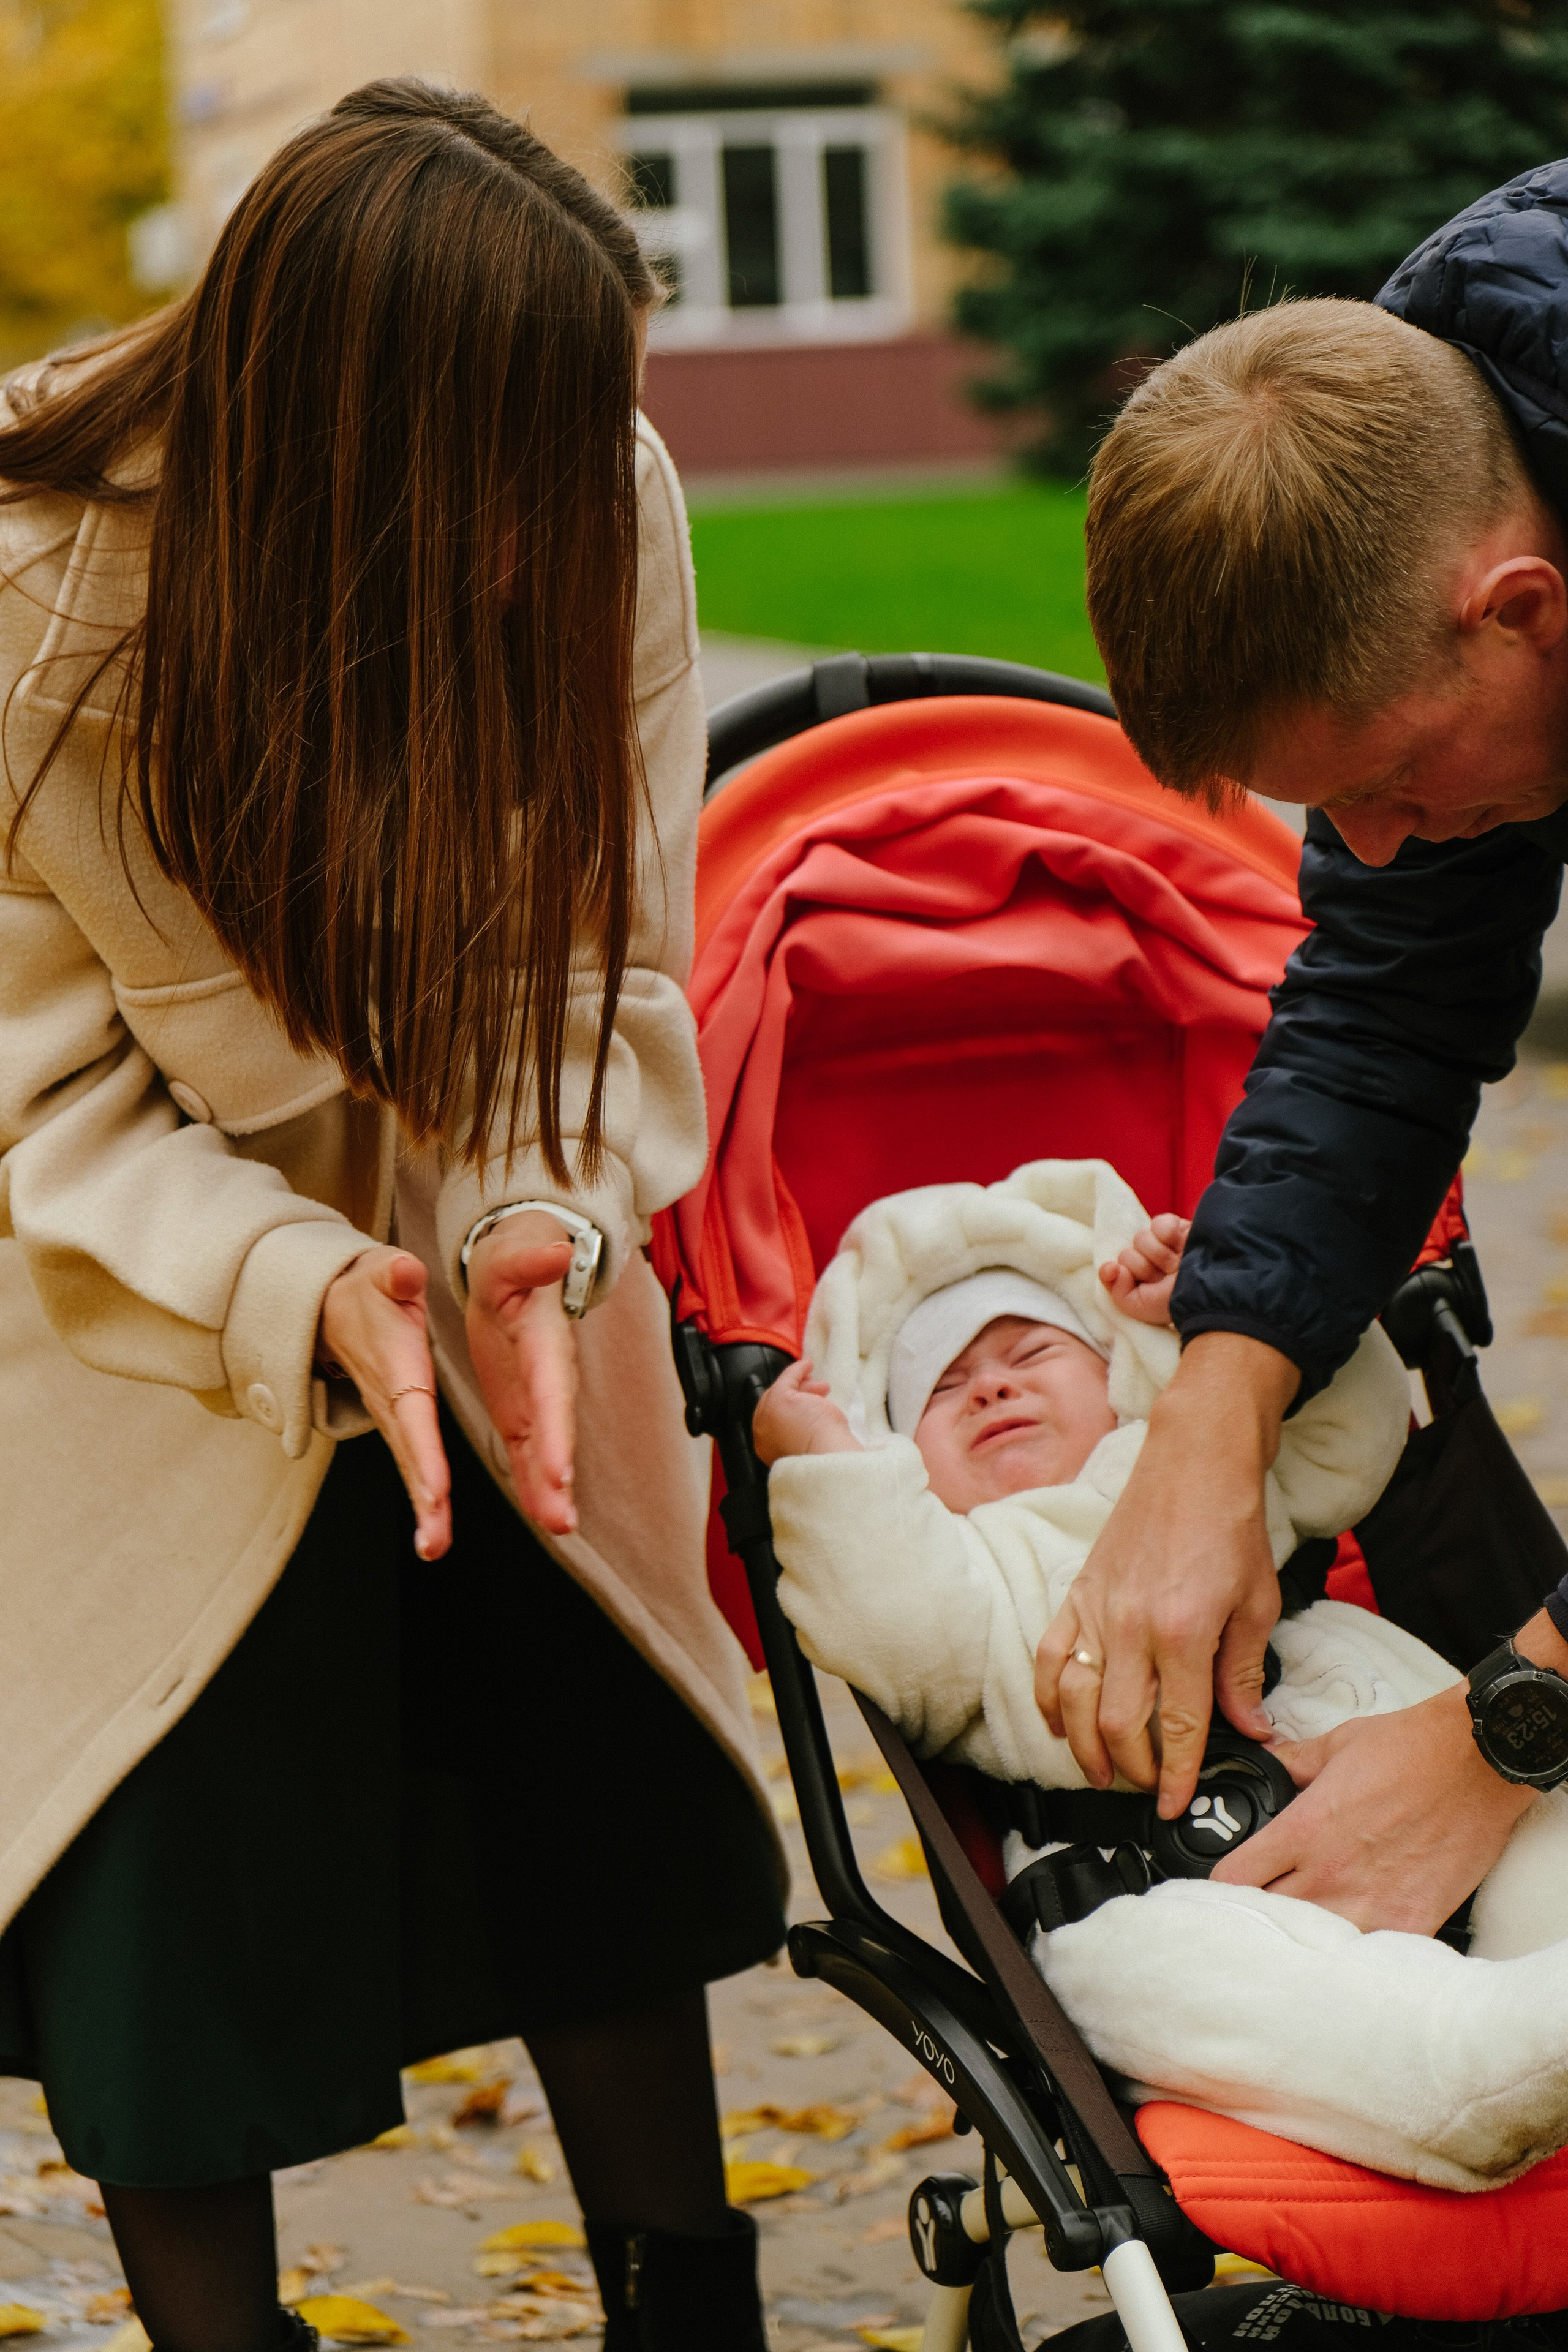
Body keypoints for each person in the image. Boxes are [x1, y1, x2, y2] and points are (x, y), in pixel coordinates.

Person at [0, 81, 785, 2352]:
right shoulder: (38, 598)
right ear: (352, 448)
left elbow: (602, 959)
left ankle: (688, 2306)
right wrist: (294, 1281)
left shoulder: (595, 487)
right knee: (172, 1868)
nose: (580, 528)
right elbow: (37, 1102)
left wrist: (536, 1222)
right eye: (520, 484)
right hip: (135, 1299)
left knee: (592, 1788)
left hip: (490, 1240)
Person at [1033, 164, 1568, 1943]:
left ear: (1519, 607)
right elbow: (1386, 996)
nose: (1396, 843)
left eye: (1399, 785)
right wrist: (1212, 1396)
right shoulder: (1413, 451)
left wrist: (1509, 1725)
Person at [752, 1160, 1410, 1791]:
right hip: (1154, 1864)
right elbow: (895, 1639)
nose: (989, 1386)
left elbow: (1353, 1442)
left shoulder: (1206, 1453)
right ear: (899, 1460)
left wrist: (1208, 1318)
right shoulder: (957, 1567)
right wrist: (832, 1456)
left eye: (1031, 1351)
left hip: (1387, 1733)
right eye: (941, 1388)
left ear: (1118, 1372)